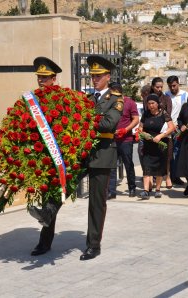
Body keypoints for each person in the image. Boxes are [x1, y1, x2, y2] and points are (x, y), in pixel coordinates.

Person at [0, 57, 66, 256]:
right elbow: (20, 121)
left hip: (50, 155)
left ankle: (44, 242)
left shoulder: (62, 99)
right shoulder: (31, 99)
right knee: (9, 179)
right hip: (30, 151)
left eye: (45, 78)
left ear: (53, 78)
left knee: (50, 198)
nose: (40, 80)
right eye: (39, 77)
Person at [80, 55, 123, 261]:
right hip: (84, 152)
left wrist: (86, 118)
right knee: (62, 181)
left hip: (103, 154)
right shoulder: (88, 99)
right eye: (92, 76)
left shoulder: (116, 99)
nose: (94, 79)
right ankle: (47, 218)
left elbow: (108, 125)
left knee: (96, 202)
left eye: (98, 76)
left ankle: (93, 245)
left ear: (107, 76)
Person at [138, 93, 175, 199]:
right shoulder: (146, 114)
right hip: (148, 144)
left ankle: (158, 190)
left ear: (158, 104)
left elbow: (171, 127)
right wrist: (144, 134)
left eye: (153, 103)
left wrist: (161, 136)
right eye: (149, 104)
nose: (151, 106)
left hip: (160, 144)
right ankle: (145, 191)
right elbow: (140, 128)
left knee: (159, 168)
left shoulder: (164, 114)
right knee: (147, 167)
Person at [108, 82, 139, 199]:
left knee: (128, 164)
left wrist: (126, 130)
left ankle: (132, 188)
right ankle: (112, 191)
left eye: (112, 93)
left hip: (126, 139)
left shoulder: (129, 103)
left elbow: (136, 119)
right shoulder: (109, 104)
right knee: (111, 166)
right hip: (112, 139)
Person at [150, 77, 173, 188]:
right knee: (153, 155)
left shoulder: (166, 98)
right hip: (152, 130)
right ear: (153, 87)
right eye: (157, 87)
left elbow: (168, 112)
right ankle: (154, 178)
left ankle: (167, 176)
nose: (159, 89)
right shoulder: (148, 98)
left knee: (166, 155)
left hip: (164, 129)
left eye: (161, 87)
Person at [165, 75, 188, 186]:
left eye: (174, 85)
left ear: (178, 84)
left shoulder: (185, 95)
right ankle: (170, 176)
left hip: (180, 129)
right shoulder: (166, 95)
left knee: (178, 153)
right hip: (168, 128)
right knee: (169, 154)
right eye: (170, 86)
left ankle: (176, 176)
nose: (172, 88)